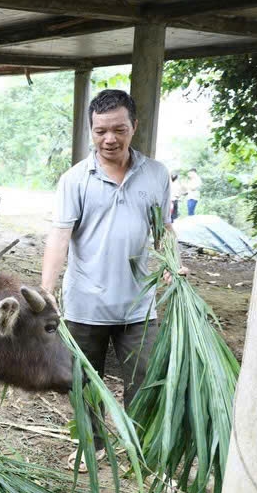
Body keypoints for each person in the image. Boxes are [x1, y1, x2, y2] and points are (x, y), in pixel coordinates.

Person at [40, 89, 186, 471]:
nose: (109, 139)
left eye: (118, 129)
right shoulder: (75, 179)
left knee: (144, 379)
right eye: (100, 130)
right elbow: (59, 236)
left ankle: (142, 448)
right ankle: (93, 444)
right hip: (86, 303)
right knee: (84, 381)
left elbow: (164, 228)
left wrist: (173, 261)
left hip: (140, 304)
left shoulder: (155, 174)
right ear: (91, 130)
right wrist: (46, 287)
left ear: (134, 127)